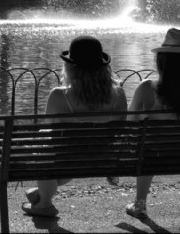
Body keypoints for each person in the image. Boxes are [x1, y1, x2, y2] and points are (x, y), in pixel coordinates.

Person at [22, 35, 127, 217]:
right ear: (103, 67)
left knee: (41, 149)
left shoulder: (59, 96)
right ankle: (41, 195)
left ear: (70, 67)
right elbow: (123, 129)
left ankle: (44, 204)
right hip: (103, 158)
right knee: (72, 152)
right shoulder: (118, 94)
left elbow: (48, 130)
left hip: (68, 159)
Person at [125, 28, 180, 218]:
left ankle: (140, 203)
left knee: (146, 147)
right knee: (150, 145)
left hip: (156, 156)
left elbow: (130, 124)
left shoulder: (147, 88)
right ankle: (140, 202)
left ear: (162, 60)